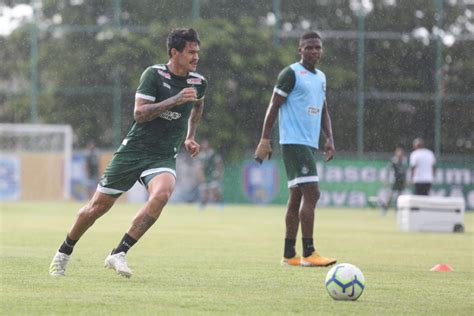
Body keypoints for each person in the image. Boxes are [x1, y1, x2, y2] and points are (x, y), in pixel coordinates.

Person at [49, 28, 207, 278]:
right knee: (96, 208)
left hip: (162, 155)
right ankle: (64, 251)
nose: (196, 57)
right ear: (174, 52)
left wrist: (190, 136)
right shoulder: (153, 75)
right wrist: (174, 100)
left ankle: (119, 252)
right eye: (191, 52)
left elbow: (198, 105)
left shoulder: (199, 82)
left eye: (197, 52)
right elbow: (140, 114)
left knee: (162, 194)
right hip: (133, 151)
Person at [254, 31, 337, 267]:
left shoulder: (320, 77)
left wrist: (329, 138)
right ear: (300, 50)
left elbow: (324, 110)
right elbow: (273, 106)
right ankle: (309, 252)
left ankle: (289, 254)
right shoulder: (290, 73)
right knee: (313, 193)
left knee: (297, 197)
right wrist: (264, 139)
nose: (314, 51)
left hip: (309, 144)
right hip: (293, 142)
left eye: (318, 47)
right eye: (309, 47)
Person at [196, 139, 224, 209]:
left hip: (213, 175)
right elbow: (199, 167)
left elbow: (219, 163)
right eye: (203, 144)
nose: (205, 146)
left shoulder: (213, 154)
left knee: (215, 191)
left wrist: (219, 173)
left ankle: (220, 204)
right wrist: (200, 176)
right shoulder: (201, 155)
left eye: (206, 144)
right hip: (205, 176)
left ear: (208, 145)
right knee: (204, 191)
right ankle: (203, 206)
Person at [381, 146, 408, 214]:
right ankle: (385, 208)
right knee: (390, 195)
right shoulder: (393, 161)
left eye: (401, 153)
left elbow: (405, 171)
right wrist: (386, 180)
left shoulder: (404, 160)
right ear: (396, 153)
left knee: (400, 196)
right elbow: (388, 170)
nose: (400, 154)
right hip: (394, 180)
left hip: (401, 180)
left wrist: (405, 180)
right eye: (398, 152)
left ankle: (397, 210)